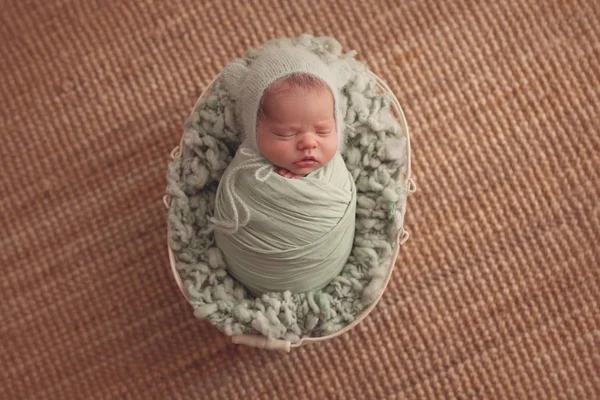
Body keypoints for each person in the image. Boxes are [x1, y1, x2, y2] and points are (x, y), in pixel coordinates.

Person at [211, 44, 357, 294]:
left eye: (323, 131)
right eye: (285, 133)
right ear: (254, 132)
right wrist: (275, 188)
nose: (309, 143)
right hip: (254, 272)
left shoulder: (336, 175)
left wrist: (306, 181)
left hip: (324, 270)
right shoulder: (245, 170)